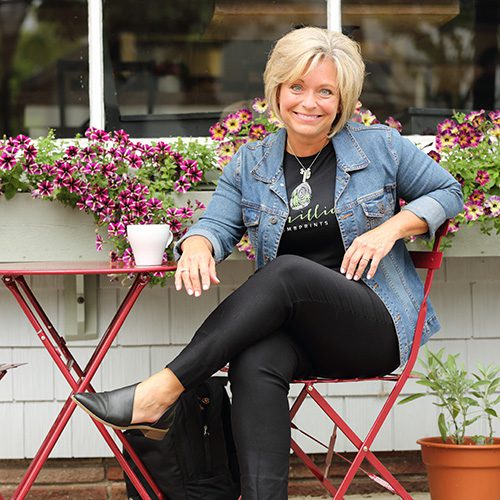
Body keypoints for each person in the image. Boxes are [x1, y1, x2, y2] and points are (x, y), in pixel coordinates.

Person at [73, 27, 463, 499]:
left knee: (286, 272)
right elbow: (216, 225)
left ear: (343, 101)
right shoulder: (250, 163)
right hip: (298, 335)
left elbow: (449, 191)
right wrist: (196, 243)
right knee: (254, 358)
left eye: (326, 91)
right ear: (276, 90)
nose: (309, 102)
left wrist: (391, 228)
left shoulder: (379, 147)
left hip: (374, 322)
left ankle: (161, 389)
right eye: (297, 87)